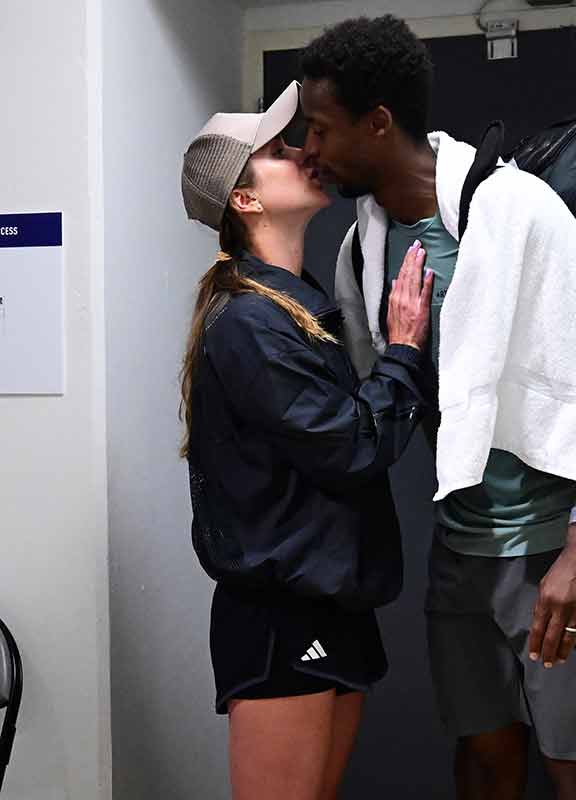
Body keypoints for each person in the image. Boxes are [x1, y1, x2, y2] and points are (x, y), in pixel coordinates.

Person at [300, 17, 576, 800]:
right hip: (461, 553)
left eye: (322, 130)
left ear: (380, 122)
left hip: (554, 546)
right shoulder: (359, 250)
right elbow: (384, 395)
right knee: (483, 762)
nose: (312, 151)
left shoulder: (515, 210)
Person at [179, 80, 434, 800]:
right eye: (278, 150)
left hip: (330, 603)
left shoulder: (294, 305)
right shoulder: (250, 324)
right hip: (280, 616)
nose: (302, 151)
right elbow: (352, 445)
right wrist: (405, 350)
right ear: (246, 200)